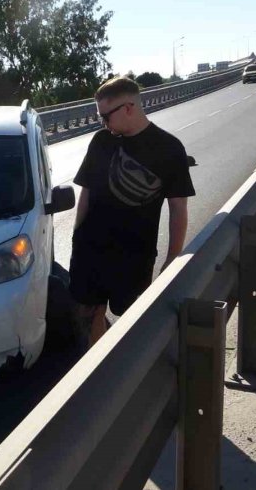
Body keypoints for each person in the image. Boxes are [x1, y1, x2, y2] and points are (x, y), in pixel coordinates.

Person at [69, 76, 196, 349]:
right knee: (88, 316)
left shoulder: (169, 148)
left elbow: (178, 208)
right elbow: (86, 193)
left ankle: (126, 374)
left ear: (128, 108)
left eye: (106, 116)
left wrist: (172, 259)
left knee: (133, 323)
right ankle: (97, 373)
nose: (103, 123)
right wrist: (76, 237)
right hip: (91, 250)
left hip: (134, 257)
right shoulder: (102, 142)